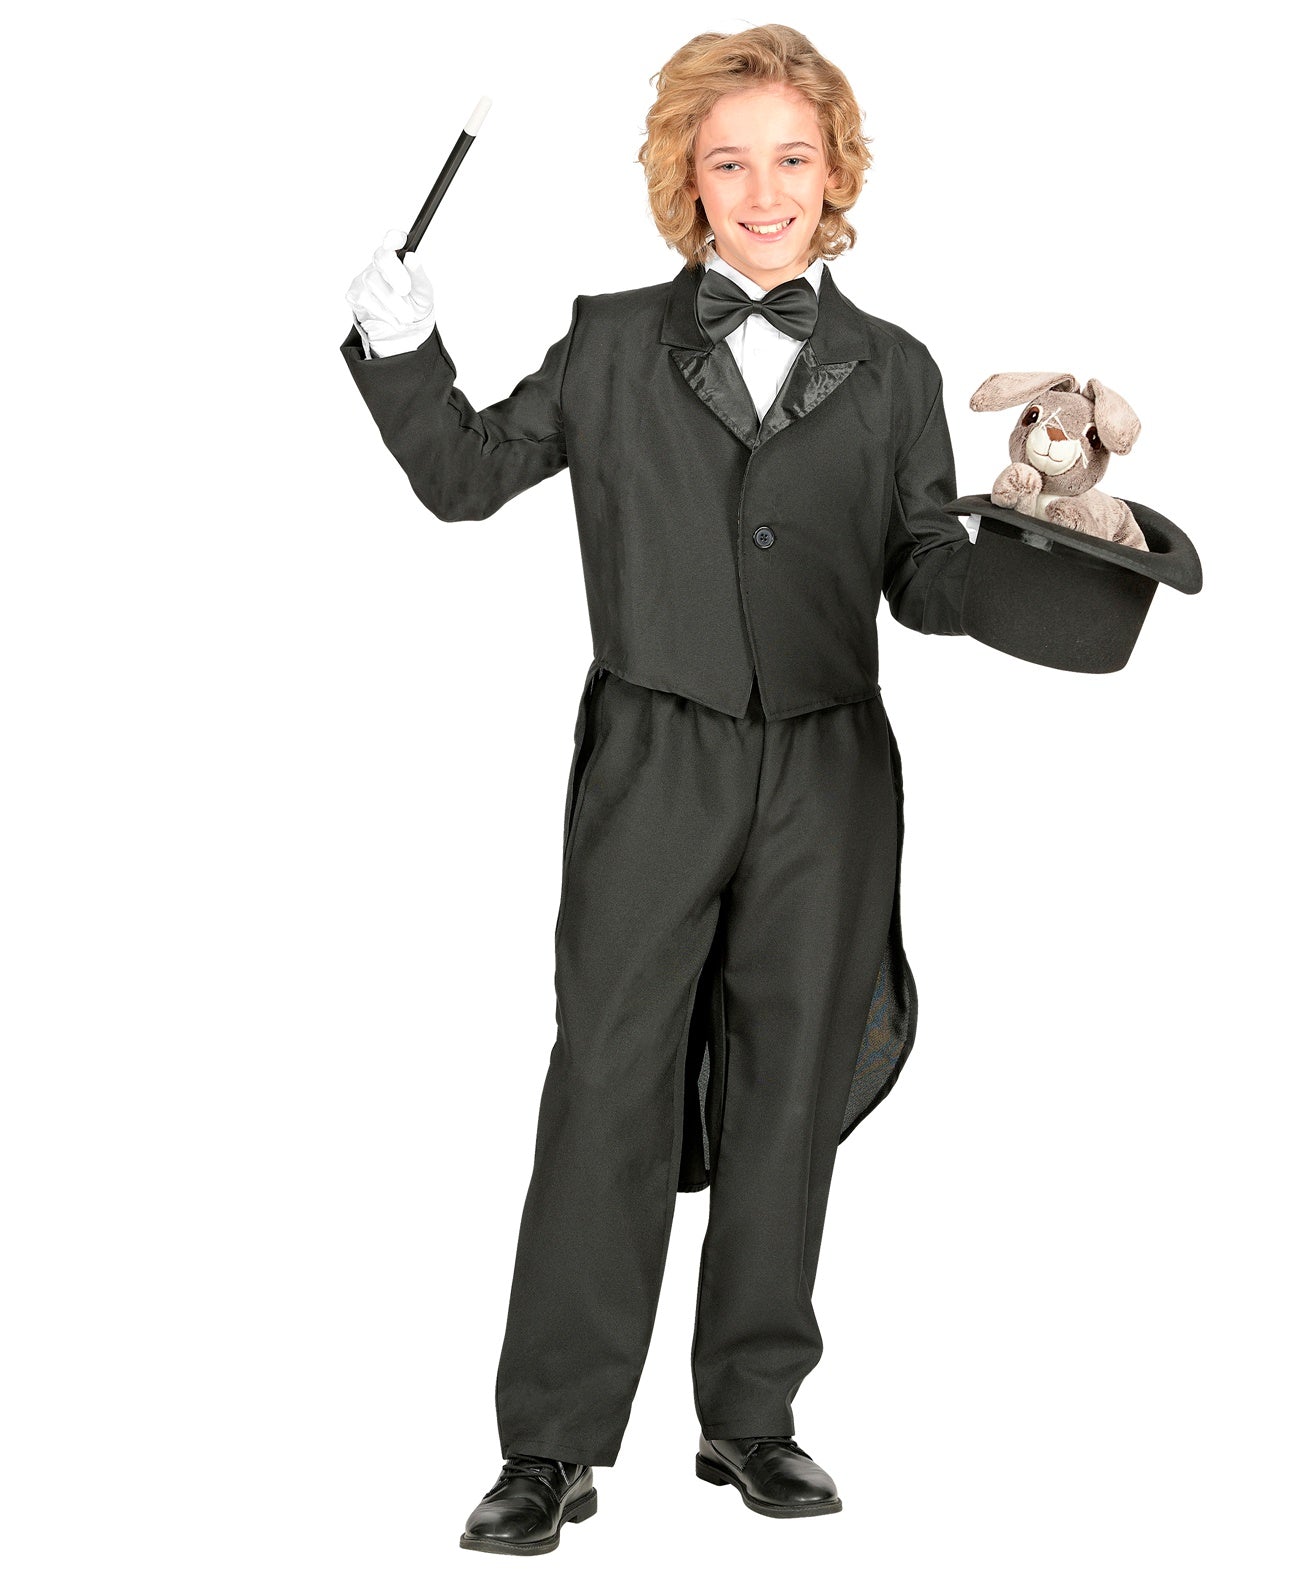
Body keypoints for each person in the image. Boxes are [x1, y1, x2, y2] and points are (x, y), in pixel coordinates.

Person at [342, 23, 974, 1556]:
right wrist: (400, 349)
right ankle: (549, 1446)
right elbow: (464, 478)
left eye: (791, 158)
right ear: (685, 179)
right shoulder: (613, 342)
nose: (763, 191)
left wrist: (1035, 546)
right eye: (728, 161)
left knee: (790, 1085)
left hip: (830, 767)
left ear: (835, 171)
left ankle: (751, 1415)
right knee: (607, 1081)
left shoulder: (895, 368)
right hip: (651, 759)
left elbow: (922, 575)